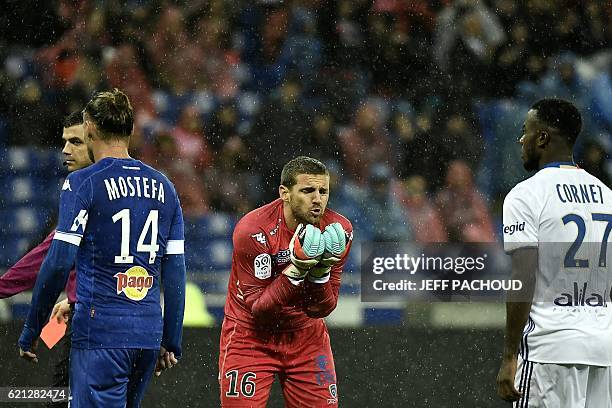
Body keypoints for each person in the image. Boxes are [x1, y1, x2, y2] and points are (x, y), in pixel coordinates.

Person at [18, 88, 186, 408]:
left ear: (89, 126)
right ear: (131, 130)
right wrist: (171, 340)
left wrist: (32, 327)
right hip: (147, 335)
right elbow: (175, 270)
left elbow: (58, 263)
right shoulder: (165, 186)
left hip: (101, 333)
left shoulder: (83, 182)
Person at [496, 99, 612, 407]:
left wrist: (509, 355)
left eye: (526, 131)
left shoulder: (526, 194)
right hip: (602, 353)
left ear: (543, 138)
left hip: (551, 350)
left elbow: (523, 275)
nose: (521, 139)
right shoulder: (606, 194)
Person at [219, 156, 353, 407]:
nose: (317, 199)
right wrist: (298, 268)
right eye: (307, 190)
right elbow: (260, 309)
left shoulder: (339, 229)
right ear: (285, 193)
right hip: (251, 337)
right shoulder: (252, 230)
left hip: (306, 337)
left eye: (323, 191)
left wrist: (322, 268)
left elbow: (322, 308)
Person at [0, 110, 91, 408]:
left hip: (92, 329)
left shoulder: (83, 188)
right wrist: (75, 299)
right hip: (132, 327)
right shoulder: (142, 186)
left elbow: (49, 258)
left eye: (76, 142)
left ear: (98, 141)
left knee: (62, 400)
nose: (65, 151)